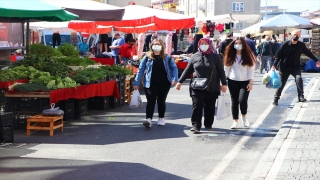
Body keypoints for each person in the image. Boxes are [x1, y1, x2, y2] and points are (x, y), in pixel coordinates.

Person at [176, 38, 227, 134]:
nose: (203, 45)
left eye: (205, 43)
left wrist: (224, 83)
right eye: (201, 43)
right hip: (197, 86)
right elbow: (188, 70)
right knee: (197, 105)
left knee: (210, 106)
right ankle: (196, 125)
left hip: (211, 86)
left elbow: (221, 71)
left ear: (209, 44)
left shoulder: (216, 57)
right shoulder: (194, 56)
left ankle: (208, 124)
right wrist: (180, 82)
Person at [133, 39, 178, 128]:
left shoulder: (167, 57)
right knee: (151, 101)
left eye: (158, 45)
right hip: (150, 83)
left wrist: (175, 79)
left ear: (162, 46)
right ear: (151, 46)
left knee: (161, 100)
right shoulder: (147, 57)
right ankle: (148, 119)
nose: (156, 46)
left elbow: (174, 68)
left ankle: (161, 118)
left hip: (164, 83)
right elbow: (141, 70)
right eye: (154, 45)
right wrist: (136, 82)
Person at [271, 30, 320, 105]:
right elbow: (278, 55)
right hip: (285, 67)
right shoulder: (285, 44)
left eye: (297, 34)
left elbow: (308, 53)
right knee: (281, 83)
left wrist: (316, 60)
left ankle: (301, 96)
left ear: (299, 36)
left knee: (299, 79)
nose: (296, 36)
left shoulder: (301, 45)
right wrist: (274, 65)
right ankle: (276, 99)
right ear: (291, 35)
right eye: (294, 34)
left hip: (295, 67)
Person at [224, 37, 256, 129]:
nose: (238, 45)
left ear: (243, 45)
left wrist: (251, 82)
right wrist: (223, 82)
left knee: (242, 100)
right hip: (232, 80)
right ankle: (235, 121)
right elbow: (226, 69)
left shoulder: (249, 55)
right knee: (234, 101)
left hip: (245, 81)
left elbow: (251, 70)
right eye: (236, 43)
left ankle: (244, 117)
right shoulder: (230, 55)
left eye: (240, 43)